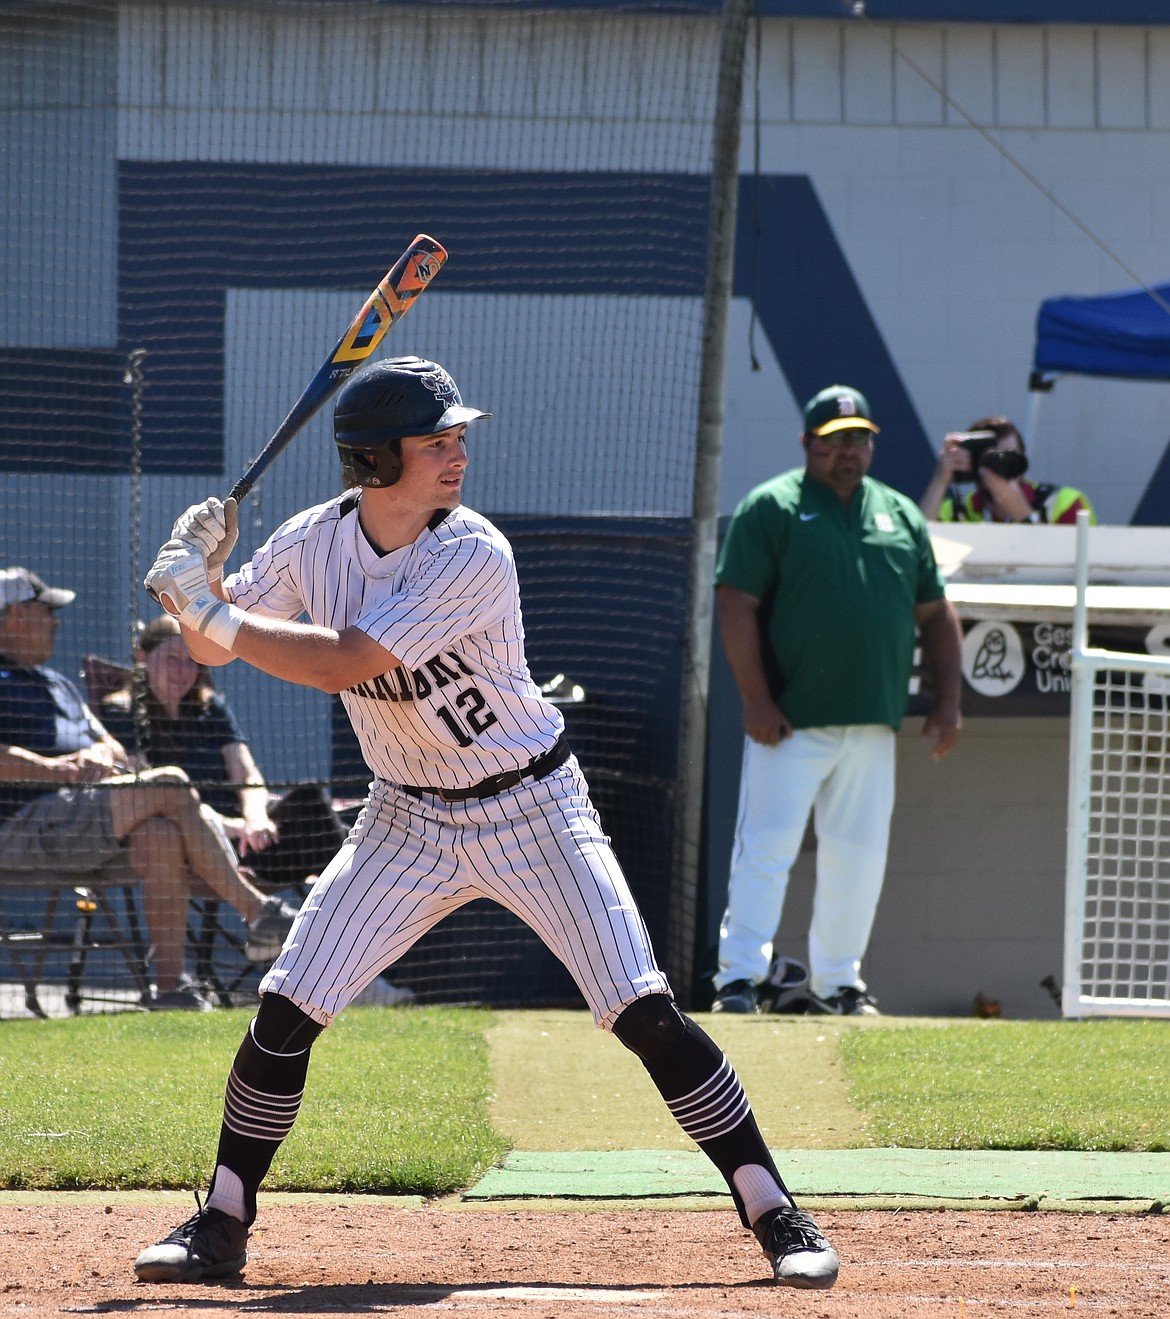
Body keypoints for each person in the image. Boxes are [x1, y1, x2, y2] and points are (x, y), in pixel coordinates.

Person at [132, 355, 840, 1290]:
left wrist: (206, 606)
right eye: (435, 440)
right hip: (405, 820)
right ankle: (219, 1222)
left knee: (642, 1009)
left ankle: (774, 1209)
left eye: (458, 435)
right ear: (375, 461)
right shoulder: (312, 542)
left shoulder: (472, 552)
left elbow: (341, 660)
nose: (457, 453)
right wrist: (201, 577)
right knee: (286, 1006)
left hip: (530, 806)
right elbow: (209, 640)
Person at [711, 385, 963, 1018]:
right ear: (807, 444)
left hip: (874, 721)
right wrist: (756, 698)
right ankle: (739, 979)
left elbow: (934, 612)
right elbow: (734, 602)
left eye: (859, 438)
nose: (848, 450)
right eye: (834, 440)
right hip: (789, 721)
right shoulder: (770, 506)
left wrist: (949, 699)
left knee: (859, 857)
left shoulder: (901, 513)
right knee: (766, 850)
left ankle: (838, 984)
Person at [0, 567, 297, 1011]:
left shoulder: (56, 683)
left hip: (85, 817)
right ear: (13, 617)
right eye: (46, 613)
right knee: (172, 783)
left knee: (160, 834)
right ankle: (258, 913)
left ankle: (170, 990)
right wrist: (57, 768)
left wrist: (101, 754)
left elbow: (108, 743)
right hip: (24, 826)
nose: (56, 622)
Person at [100, 614, 412, 1008]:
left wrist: (255, 818)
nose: (184, 671)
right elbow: (149, 795)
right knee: (172, 814)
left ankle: (347, 961)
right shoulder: (121, 717)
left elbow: (245, 771)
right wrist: (229, 828)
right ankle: (289, 938)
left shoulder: (210, 709)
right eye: (171, 659)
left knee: (311, 803)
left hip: (248, 843)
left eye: (192, 661)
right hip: (190, 848)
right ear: (142, 660)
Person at [918, 415, 1097, 525]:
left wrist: (1018, 509)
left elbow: (1076, 566)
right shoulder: (955, 510)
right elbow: (919, 546)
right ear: (972, 463)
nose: (1002, 466)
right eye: (992, 458)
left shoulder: (1064, 502)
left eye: (1011, 457)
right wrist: (941, 479)